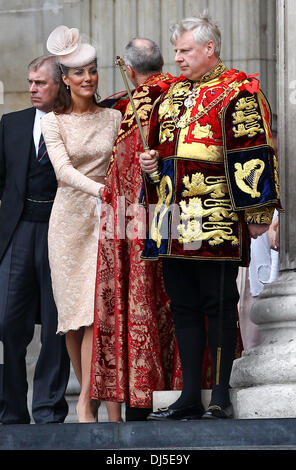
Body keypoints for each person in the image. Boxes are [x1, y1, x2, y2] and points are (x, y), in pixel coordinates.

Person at [139, 14, 282, 420]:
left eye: (185, 50)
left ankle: (219, 394)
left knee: (218, 303)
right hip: (169, 219)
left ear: (209, 49)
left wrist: (258, 212)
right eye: (177, 51)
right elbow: (160, 155)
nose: (178, 58)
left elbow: (254, 150)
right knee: (182, 305)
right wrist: (151, 165)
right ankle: (189, 395)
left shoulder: (238, 90)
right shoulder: (170, 95)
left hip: (215, 216)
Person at [90, 38, 186, 422]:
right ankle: (188, 390)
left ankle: (142, 395)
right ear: (165, 62)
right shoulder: (186, 97)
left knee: (144, 294)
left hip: (132, 230)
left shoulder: (124, 108)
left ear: (128, 70)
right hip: (183, 224)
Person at [41, 25, 122, 422]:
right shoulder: (52, 122)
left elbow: (123, 165)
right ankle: (89, 395)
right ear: (65, 80)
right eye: (79, 73)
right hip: (69, 218)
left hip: (107, 219)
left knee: (95, 312)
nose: (88, 78)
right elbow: (62, 171)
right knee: (72, 317)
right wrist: (100, 190)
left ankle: (87, 401)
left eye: (92, 70)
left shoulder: (114, 117)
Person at [0, 55, 70, 424]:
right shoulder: (10, 124)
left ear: (59, 84)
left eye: (40, 83)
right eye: (30, 82)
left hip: (60, 232)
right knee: (7, 322)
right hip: (18, 233)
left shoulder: (75, 124)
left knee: (56, 326)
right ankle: (11, 409)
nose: (31, 89)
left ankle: (48, 409)